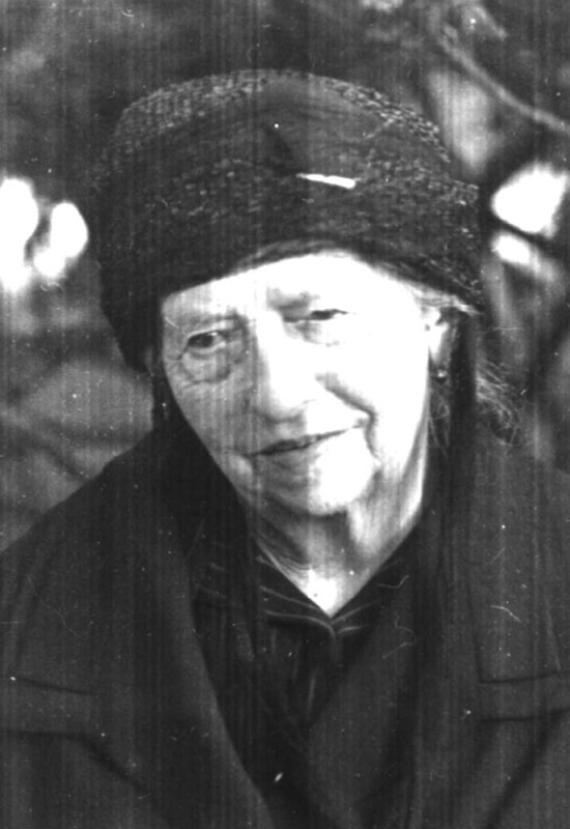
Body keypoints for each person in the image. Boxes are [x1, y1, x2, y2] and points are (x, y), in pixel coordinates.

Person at [2, 69, 570, 829]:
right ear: (161, 372)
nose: (275, 394)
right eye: (209, 340)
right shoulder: (28, 626)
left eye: (321, 317)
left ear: (436, 322)